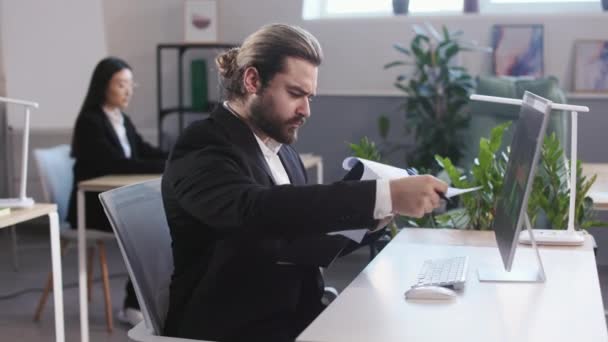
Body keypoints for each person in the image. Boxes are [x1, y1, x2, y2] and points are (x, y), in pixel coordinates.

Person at [161, 24, 447, 342]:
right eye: (296, 94)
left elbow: (298, 238)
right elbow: (253, 210)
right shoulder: (203, 145)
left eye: (309, 97)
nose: (306, 110)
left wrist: (373, 220)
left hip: (295, 314)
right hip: (236, 325)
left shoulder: (283, 151)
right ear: (252, 80)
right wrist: (383, 194)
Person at [67, 57, 167, 326]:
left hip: (117, 201)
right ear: (103, 86)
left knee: (162, 222)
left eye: (130, 84)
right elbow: (116, 164)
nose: (128, 90)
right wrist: (166, 164)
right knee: (152, 227)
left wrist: (177, 156)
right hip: (91, 207)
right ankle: (133, 305)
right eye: (121, 84)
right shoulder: (90, 121)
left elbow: (144, 150)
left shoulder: (121, 118)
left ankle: (149, 300)